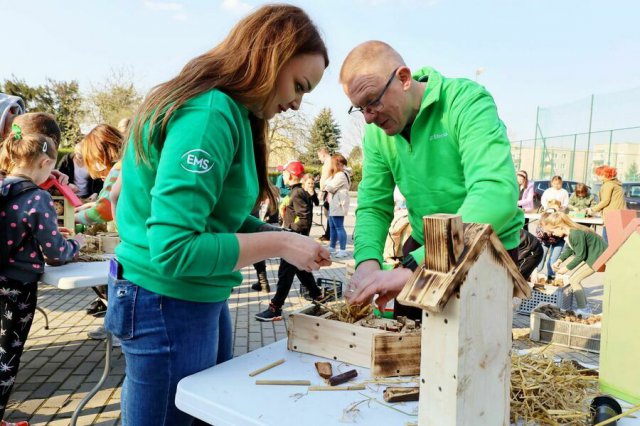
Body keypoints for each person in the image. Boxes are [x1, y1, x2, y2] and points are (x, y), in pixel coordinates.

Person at [105, 5, 330, 423]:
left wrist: (279, 236)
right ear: (270, 57)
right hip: (166, 299)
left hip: (192, 298)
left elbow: (214, 217)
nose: (298, 104)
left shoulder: (235, 115)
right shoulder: (209, 115)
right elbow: (175, 248)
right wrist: (281, 242)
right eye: (299, 85)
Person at [340, 41, 523, 313]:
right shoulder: (377, 135)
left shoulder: (465, 101)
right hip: (424, 245)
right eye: (360, 108)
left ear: (403, 78)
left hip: (485, 248)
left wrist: (417, 265)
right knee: (405, 341)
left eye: (373, 102)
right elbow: (373, 204)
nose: (368, 118)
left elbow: (495, 193)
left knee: (475, 347)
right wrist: (367, 263)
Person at [0, 126, 84, 426]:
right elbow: (57, 253)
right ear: (45, 163)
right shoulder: (38, 198)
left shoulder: (3, 187)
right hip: (17, 287)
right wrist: (77, 243)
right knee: (6, 356)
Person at [255, 161, 323, 321]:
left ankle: (275, 308)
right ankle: (318, 296)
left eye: (284, 173)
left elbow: (305, 220)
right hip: (294, 239)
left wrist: (288, 230)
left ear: (291, 175)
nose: (282, 175)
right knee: (302, 271)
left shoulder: (298, 193)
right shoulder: (295, 192)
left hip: (293, 241)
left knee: (285, 275)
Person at [543, 212, 607, 317]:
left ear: (559, 227)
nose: (552, 234)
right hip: (594, 258)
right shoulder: (570, 234)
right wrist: (560, 260)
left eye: (552, 231)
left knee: (574, 280)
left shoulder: (575, 233)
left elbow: (580, 255)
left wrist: (566, 268)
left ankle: (584, 309)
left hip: (598, 258)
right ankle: (585, 307)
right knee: (574, 279)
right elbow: (570, 249)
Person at [74, 124, 122, 225]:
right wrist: (93, 205)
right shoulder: (128, 164)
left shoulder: (117, 170)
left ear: (99, 156)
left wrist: (74, 218)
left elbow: (104, 211)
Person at [589, 165, 626, 243]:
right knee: (615, 241)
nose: (597, 176)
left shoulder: (608, 184)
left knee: (607, 242)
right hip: (617, 215)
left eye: (599, 174)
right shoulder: (616, 184)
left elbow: (605, 201)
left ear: (604, 175)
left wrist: (592, 209)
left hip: (611, 216)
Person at [324, 153, 351, 258]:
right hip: (334, 202)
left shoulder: (340, 175)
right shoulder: (337, 174)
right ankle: (332, 246)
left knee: (339, 226)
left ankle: (343, 250)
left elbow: (329, 187)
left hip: (338, 203)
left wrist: (326, 184)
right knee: (333, 226)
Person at [534, 200, 565, 283]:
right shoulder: (540, 228)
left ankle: (551, 279)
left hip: (558, 241)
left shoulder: (558, 220)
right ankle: (533, 275)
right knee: (540, 260)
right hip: (545, 242)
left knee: (552, 261)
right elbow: (537, 242)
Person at [317, 147, 332, 242]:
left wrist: (321, 190)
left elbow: (325, 177)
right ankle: (328, 234)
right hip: (328, 190)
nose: (319, 159)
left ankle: (329, 235)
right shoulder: (330, 162)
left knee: (329, 214)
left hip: (328, 190)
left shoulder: (328, 162)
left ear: (323, 154)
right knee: (328, 213)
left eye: (319, 156)